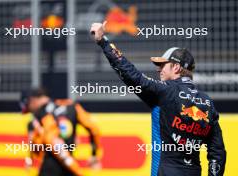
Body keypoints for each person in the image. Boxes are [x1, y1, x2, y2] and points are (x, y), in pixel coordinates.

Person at [90, 22, 226, 176]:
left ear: (175, 67)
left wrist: (103, 42)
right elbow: (218, 152)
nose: (158, 69)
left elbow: (130, 74)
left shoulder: (165, 90)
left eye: (162, 65)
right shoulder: (207, 102)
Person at [20, 88, 102, 176]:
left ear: (33, 101)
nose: (31, 112)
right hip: (68, 166)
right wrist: (94, 154)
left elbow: (53, 142)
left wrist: (75, 169)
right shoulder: (72, 106)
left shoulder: (40, 115)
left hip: (52, 168)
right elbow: (94, 129)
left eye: (29, 108)